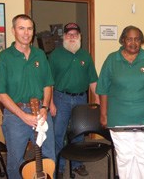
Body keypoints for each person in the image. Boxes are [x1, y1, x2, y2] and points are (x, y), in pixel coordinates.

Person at [96, 25, 144, 179]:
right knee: (124, 157)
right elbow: (102, 89)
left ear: (141, 41)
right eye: (129, 39)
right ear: (123, 40)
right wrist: (103, 114)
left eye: (137, 39)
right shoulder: (111, 59)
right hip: (119, 118)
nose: (133, 43)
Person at [0, 14, 55, 179]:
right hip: (15, 116)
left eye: (29, 28)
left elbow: (47, 84)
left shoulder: (40, 55)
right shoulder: (3, 58)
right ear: (13, 31)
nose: (26, 33)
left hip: (41, 113)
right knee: (16, 161)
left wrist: (45, 107)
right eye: (21, 28)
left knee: (48, 156)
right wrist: (23, 116)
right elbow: (0, 92)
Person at [48, 22, 99, 178]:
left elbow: (93, 80)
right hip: (60, 98)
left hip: (81, 99)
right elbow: (48, 82)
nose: (72, 37)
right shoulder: (55, 55)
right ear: (64, 36)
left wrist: (97, 100)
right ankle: (59, 166)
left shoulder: (85, 55)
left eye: (75, 35)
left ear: (80, 37)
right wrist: (50, 103)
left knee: (79, 133)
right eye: (69, 34)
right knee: (58, 134)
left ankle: (77, 164)